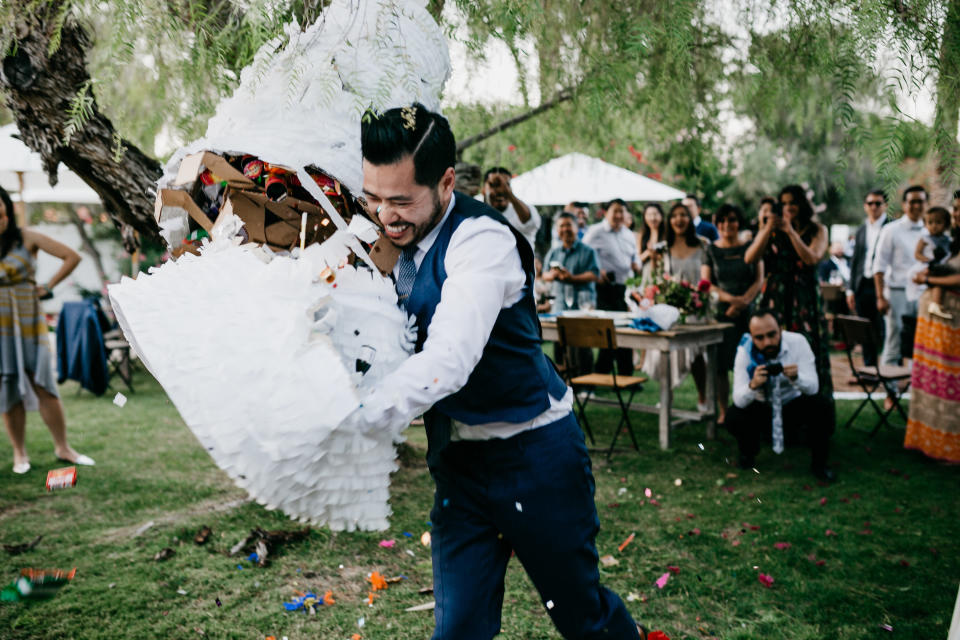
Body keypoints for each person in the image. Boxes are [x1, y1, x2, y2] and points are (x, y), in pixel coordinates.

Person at [358, 104, 650, 640]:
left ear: (446, 182)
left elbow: (449, 359)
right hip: (459, 468)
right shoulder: (382, 234)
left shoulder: (482, 241)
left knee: (583, 619)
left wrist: (351, 420)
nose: (384, 215)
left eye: (401, 200)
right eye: (373, 197)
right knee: (458, 632)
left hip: (536, 458)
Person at [0, 185, 94, 474]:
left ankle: (63, 447)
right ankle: (19, 454)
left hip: (28, 318)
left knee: (43, 384)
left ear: (9, 212)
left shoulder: (26, 237)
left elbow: (72, 256)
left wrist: (48, 287)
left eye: (1, 214)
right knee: (8, 384)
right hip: (1, 324)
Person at [745, 185, 834, 419]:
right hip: (776, 298)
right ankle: (772, 413)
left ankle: (813, 414)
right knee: (773, 350)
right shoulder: (771, 231)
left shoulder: (818, 229)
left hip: (804, 300)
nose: (788, 207)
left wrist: (791, 232)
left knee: (806, 350)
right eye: (783, 203)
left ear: (802, 204)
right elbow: (750, 258)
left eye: (792, 202)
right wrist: (767, 229)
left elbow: (812, 258)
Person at [726, 309, 835, 480]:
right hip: (761, 408)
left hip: (792, 403)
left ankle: (819, 464)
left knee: (822, 407)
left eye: (772, 334)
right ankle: (748, 453)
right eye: (759, 338)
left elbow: (813, 387)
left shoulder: (798, 342)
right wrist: (752, 386)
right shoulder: (745, 351)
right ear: (751, 336)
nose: (767, 342)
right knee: (734, 415)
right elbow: (738, 400)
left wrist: (797, 378)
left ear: (781, 329)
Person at [642, 202, 709, 408]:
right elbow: (657, 278)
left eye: (683, 215)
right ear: (669, 221)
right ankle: (666, 397)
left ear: (690, 219)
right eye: (675, 216)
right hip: (669, 310)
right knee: (666, 355)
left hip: (695, 307)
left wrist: (696, 297)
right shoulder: (663, 248)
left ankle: (703, 397)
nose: (679, 220)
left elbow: (707, 278)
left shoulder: (702, 245)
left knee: (697, 356)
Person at [704, 203, 763, 424]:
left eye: (732, 220)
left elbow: (758, 279)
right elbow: (707, 283)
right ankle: (723, 410)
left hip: (749, 315)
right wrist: (731, 300)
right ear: (717, 224)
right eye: (722, 221)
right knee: (721, 365)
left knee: (752, 360)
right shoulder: (711, 250)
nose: (727, 225)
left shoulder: (750, 246)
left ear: (739, 222)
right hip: (722, 314)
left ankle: (750, 406)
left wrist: (743, 302)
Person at [906, 248, 960, 462]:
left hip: (953, 324)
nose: (956, 213)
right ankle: (929, 440)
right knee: (935, 380)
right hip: (935, 326)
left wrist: (929, 279)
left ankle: (950, 447)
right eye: (955, 210)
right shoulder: (949, 245)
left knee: (951, 381)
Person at [582, 198, 640, 375]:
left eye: (622, 211)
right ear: (605, 212)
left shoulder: (628, 234)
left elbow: (635, 256)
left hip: (625, 288)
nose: (619, 215)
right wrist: (598, 271)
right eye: (615, 211)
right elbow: (583, 255)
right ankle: (602, 372)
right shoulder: (596, 231)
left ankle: (625, 373)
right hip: (605, 288)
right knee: (607, 331)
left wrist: (636, 264)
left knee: (625, 330)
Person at [873, 185, 927, 366]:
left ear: (926, 204)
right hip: (897, 293)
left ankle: (915, 390)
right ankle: (891, 391)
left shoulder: (930, 232)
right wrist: (880, 297)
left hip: (923, 294)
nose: (916, 206)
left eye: (920, 201)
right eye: (912, 201)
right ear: (904, 205)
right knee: (894, 342)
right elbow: (878, 266)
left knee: (920, 343)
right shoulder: (891, 230)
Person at [543, 213, 600, 375]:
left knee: (581, 348)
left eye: (568, 225)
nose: (565, 229)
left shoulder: (588, 251)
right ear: (557, 230)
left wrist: (572, 278)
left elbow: (595, 275)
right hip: (559, 306)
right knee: (559, 347)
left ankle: (586, 384)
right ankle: (564, 383)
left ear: (576, 227)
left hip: (582, 306)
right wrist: (553, 275)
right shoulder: (554, 252)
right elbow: (544, 275)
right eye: (561, 226)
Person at [845, 189, 890, 366]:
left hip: (884, 286)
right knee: (865, 328)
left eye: (878, 203)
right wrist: (850, 289)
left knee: (885, 329)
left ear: (884, 205)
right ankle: (869, 369)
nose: (874, 207)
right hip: (863, 285)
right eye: (870, 203)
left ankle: (889, 369)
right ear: (865, 206)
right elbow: (855, 261)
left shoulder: (891, 227)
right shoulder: (862, 230)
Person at [482, 166, 540, 250]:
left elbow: (530, 222)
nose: (500, 190)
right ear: (483, 189)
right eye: (494, 185)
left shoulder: (521, 211)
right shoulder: (476, 214)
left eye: (506, 185)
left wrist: (508, 193)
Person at [913, 206, 953, 319]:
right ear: (925, 224)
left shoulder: (948, 240)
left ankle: (937, 303)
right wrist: (928, 260)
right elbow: (917, 254)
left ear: (946, 224)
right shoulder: (925, 239)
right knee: (938, 281)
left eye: (938, 222)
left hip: (942, 265)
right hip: (928, 265)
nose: (934, 226)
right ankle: (935, 303)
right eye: (930, 222)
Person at [636, 202, 665, 285]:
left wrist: (655, 256)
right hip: (647, 273)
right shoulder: (642, 235)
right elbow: (638, 258)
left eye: (655, 214)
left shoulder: (667, 234)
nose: (652, 218)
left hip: (663, 273)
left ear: (661, 216)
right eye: (649, 215)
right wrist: (649, 253)